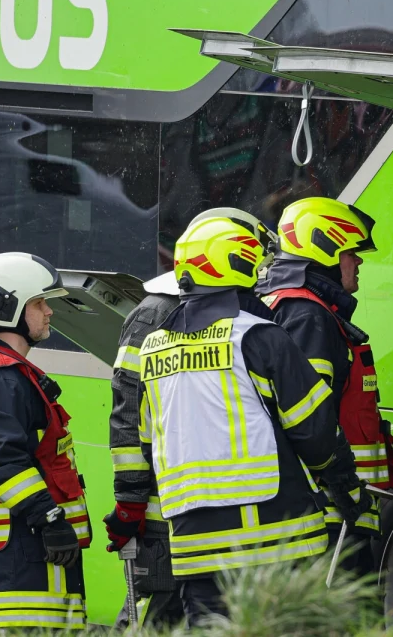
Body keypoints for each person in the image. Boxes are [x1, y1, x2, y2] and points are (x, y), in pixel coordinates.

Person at [138, 212, 369, 625]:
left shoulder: (152, 350)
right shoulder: (258, 336)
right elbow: (314, 429)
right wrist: (345, 485)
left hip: (194, 547)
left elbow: (147, 443)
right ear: (240, 267)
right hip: (274, 538)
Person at [104, 208, 277, 627]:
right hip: (166, 509)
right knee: (163, 616)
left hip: (213, 507)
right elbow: (129, 411)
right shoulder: (154, 314)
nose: (261, 274)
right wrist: (130, 501)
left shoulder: (236, 313)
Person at [255, 197, 393, 576]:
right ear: (324, 249)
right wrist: (347, 493)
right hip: (331, 511)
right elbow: (312, 419)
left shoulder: (284, 305)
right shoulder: (309, 316)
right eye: (351, 253)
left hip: (318, 507)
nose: (358, 263)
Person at [0, 253, 92, 630]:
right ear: (6, 306)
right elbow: (2, 461)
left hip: (11, 556)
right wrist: (50, 518)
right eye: (39, 303)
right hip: (13, 564)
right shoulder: (3, 378)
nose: (49, 312)